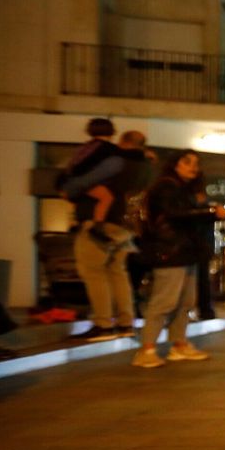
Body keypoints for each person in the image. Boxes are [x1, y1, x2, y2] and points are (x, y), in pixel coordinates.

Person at [131, 149, 225, 368]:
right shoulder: (166, 187)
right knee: (164, 302)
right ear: (175, 164)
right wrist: (211, 212)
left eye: (196, 163)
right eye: (187, 162)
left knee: (185, 302)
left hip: (185, 252)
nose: (193, 167)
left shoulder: (184, 189)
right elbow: (176, 215)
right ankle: (147, 349)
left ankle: (179, 344)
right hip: (170, 251)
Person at [60, 118, 137, 342]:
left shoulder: (88, 153)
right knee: (118, 273)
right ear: (112, 133)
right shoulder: (130, 159)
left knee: (94, 273)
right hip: (123, 223)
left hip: (98, 222)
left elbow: (79, 181)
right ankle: (126, 323)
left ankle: (103, 324)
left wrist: (70, 189)